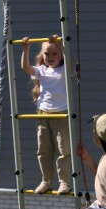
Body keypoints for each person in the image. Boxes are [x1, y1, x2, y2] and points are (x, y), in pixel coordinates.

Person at [20, 35, 72, 195]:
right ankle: (46, 181)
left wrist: (60, 44)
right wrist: (26, 47)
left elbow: (70, 61)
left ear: (61, 54)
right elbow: (25, 67)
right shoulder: (41, 70)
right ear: (42, 55)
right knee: (43, 150)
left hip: (61, 114)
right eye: (47, 54)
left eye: (55, 53)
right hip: (43, 113)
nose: (50, 57)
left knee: (63, 150)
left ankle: (64, 182)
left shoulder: (64, 70)